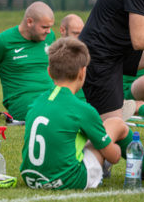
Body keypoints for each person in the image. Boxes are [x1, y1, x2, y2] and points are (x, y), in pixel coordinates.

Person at [20, 37, 129, 190]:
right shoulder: (82, 109)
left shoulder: (35, 102)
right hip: (69, 180)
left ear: (49, 72)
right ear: (82, 72)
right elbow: (114, 157)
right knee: (116, 124)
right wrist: (115, 148)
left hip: (31, 178)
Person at [0, 1, 55, 120]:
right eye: (45, 27)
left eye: (50, 27)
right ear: (29, 22)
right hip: (26, 107)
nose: (49, 31)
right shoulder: (2, 42)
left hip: (53, 100)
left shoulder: (50, 37)